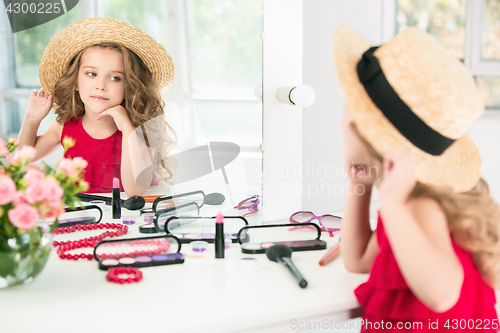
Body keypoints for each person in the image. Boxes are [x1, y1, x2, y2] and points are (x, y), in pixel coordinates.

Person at [333, 24, 500, 331]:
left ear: (375, 140)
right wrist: (361, 185)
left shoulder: (418, 206)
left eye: (351, 113)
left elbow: (442, 296)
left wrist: (393, 203)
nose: (343, 121)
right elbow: (358, 260)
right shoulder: (409, 199)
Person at [18, 18, 176, 195]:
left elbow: (134, 192)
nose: (101, 85)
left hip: (131, 219)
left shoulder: (140, 130)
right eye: (91, 74)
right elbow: (22, 159)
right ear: (76, 81)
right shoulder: (65, 125)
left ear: (129, 87)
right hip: (85, 220)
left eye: (115, 78)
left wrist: (127, 129)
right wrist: (32, 119)